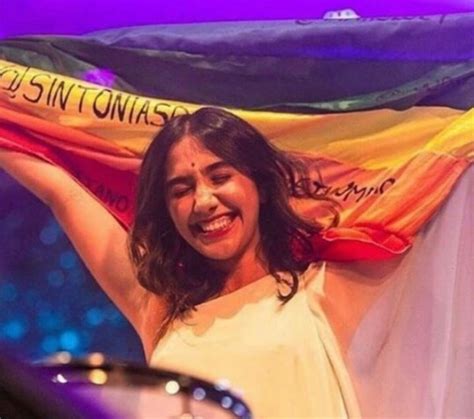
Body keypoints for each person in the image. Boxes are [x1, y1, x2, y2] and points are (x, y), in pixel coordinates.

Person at [0, 107, 360, 417]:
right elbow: (62, 192)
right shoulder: (159, 309)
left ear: (261, 187)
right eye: (182, 190)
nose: (203, 201)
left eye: (220, 177)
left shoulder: (325, 289)